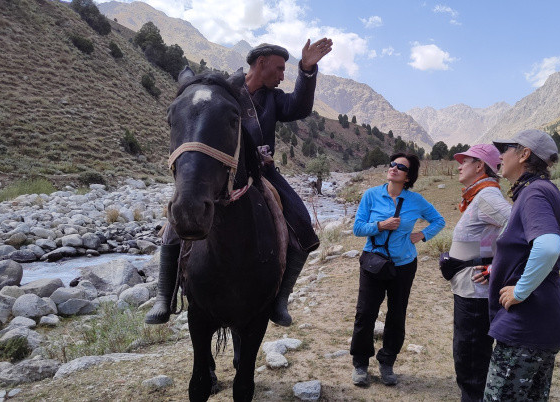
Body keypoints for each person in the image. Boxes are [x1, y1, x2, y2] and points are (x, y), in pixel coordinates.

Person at [145, 38, 333, 327]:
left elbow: (299, 107)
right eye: (280, 68)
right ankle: (165, 295)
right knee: (175, 222)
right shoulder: (224, 92)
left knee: (302, 222)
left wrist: (306, 69)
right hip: (217, 171)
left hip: (261, 173)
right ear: (261, 63)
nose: (283, 75)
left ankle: (280, 298)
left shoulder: (273, 98)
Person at [484, 129, 560, 401]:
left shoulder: (534, 193)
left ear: (524, 155)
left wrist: (520, 289)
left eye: (506, 149)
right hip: (541, 322)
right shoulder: (543, 191)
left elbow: (549, 246)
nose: (500, 155)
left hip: (527, 324)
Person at [350, 152, 445, 387]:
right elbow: (358, 228)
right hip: (373, 262)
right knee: (365, 313)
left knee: (397, 314)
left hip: (403, 265)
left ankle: (387, 361)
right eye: (392, 164)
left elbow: (439, 220)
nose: (393, 168)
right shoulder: (371, 195)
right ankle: (360, 364)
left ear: (408, 176)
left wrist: (422, 235)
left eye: (400, 167)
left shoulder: (416, 201)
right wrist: (379, 225)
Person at [444, 145, 510, 402]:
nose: (460, 166)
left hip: (476, 291)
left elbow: (521, 225)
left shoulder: (487, 197)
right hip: (470, 288)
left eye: (465, 161)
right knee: (469, 353)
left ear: (480, 165)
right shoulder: (480, 196)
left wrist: (497, 267)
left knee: (470, 356)